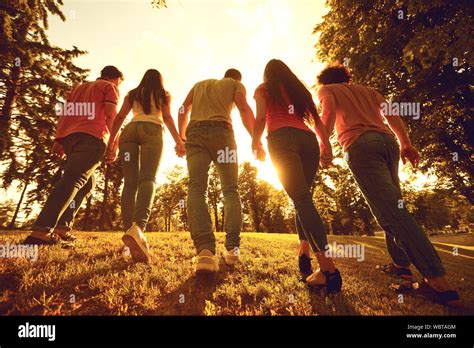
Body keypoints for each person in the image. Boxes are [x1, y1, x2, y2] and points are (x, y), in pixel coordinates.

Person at [316, 63, 460, 305]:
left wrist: (324, 145)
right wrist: (405, 143)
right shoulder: (369, 90)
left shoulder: (326, 90)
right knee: (394, 206)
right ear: (347, 76)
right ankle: (401, 266)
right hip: (387, 143)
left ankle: (438, 282)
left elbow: (328, 113)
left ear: (326, 81)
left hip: (359, 145)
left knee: (390, 212)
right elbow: (391, 113)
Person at [252, 59, 342, 294]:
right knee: (303, 200)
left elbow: (261, 118)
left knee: (302, 199)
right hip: (308, 140)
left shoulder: (263, 89)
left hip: (281, 139)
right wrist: (327, 148)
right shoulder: (299, 89)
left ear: (267, 74)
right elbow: (318, 121)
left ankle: (328, 269)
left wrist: (256, 143)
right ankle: (304, 252)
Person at [23, 66, 123, 246]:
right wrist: (114, 143)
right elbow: (111, 115)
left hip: (71, 139)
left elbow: (65, 113)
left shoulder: (79, 88)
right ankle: (41, 232)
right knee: (73, 180)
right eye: (120, 82)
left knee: (87, 184)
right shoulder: (110, 87)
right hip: (92, 138)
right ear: (116, 79)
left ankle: (62, 227)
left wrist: (58, 139)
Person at [178, 68, 264, 275]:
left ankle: (205, 252)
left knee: (196, 188)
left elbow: (183, 109)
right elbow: (244, 110)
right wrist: (256, 141)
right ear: (237, 78)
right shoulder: (235, 84)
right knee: (230, 190)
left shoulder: (200, 84)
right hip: (223, 132)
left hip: (195, 132)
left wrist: (181, 138)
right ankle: (232, 250)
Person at [106, 69, 185, 263]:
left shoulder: (132, 94)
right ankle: (138, 228)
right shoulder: (163, 94)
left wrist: (111, 141)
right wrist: (178, 141)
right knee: (148, 179)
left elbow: (119, 117)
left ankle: (129, 233)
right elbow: (167, 118)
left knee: (130, 183)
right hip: (153, 130)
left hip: (130, 132)